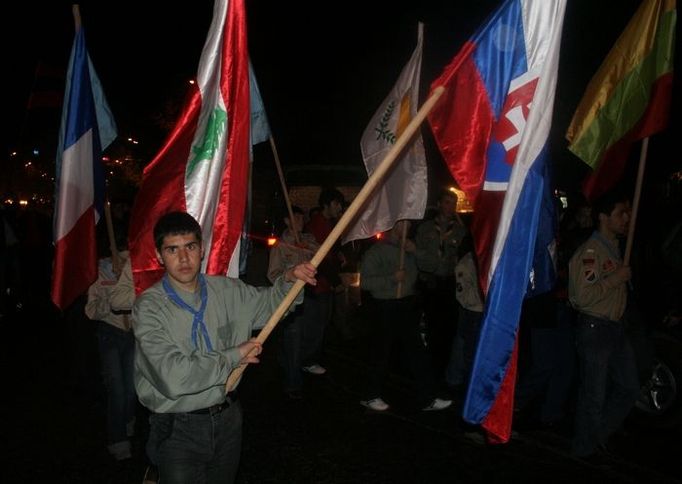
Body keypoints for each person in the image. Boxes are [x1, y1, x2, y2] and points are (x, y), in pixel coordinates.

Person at [133, 211, 316, 484]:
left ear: (202, 249)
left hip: (228, 419)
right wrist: (235, 354)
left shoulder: (228, 290)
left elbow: (270, 307)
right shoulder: (149, 307)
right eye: (173, 249)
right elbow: (173, 377)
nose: (184, 259)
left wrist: (289, 280)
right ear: (159, 256)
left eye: (191, 247)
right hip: (177, 428)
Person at [568, 191, 640, 459]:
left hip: (615, 327)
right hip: (595, 328)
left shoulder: (617, 247)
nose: (627, 218)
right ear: (603, 217)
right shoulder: (590, 252)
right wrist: (615, 278)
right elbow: (581, 298)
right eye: (621, 213)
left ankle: (598, 435)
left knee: (629, 387)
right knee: (593, 395)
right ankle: (584, 450)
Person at [359, 219, 452, 412]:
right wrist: (392, 279)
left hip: (406, 304)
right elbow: (365, 283)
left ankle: (429, 397)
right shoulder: (377, 250)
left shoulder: (409, 249)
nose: (407, 229)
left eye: (409, 226)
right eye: (404, 225)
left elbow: (432, 265)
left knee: (417, 351)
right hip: (384, 305)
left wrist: (414, 251)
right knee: (381, 352)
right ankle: (370, 395)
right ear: (393, 226)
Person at [85, 246, 137, 461]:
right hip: (110, 334)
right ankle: (117, 440)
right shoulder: (100, 272)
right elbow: (91, 310)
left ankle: (127, 417)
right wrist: (112, 299)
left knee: (132, 387)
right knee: (116, 387)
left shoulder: (136, 268)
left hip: (133, 334)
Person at [267, 205, 320, 399]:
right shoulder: (281, 245)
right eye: (294, 218)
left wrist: (309, 249)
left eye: (301, 218)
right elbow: (272, 274)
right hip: (291, 298)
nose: (299, 222)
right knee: (294, 337)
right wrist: (289, 276)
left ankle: (298, 362)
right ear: (287, 221)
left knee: (312, 333)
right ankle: (292, 382)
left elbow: (322, 255)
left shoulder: (309, 240)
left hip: (312, 293)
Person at [415, 189, 467, 378]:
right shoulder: (426, 229)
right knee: (430, 326)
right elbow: (417, 255)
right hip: (430, 283)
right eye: (446, 202)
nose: (449, 207)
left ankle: (444, 367)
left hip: (449, 284)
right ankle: (428, 366)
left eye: (453, 204)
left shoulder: (459, 231)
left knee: (448, 328)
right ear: (438, 205)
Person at [302, 187, 346, 375]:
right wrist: (336, 280)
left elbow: (331, 252)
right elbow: (320, 258)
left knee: (321, 323)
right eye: (337, 203)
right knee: (315, 324)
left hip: (325, 284)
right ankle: (307, 360)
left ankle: (311, 357)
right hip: (318, 285)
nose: (339, 207)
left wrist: (339, 255)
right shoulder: (318, 224)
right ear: (327, 204)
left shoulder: (328, 223)